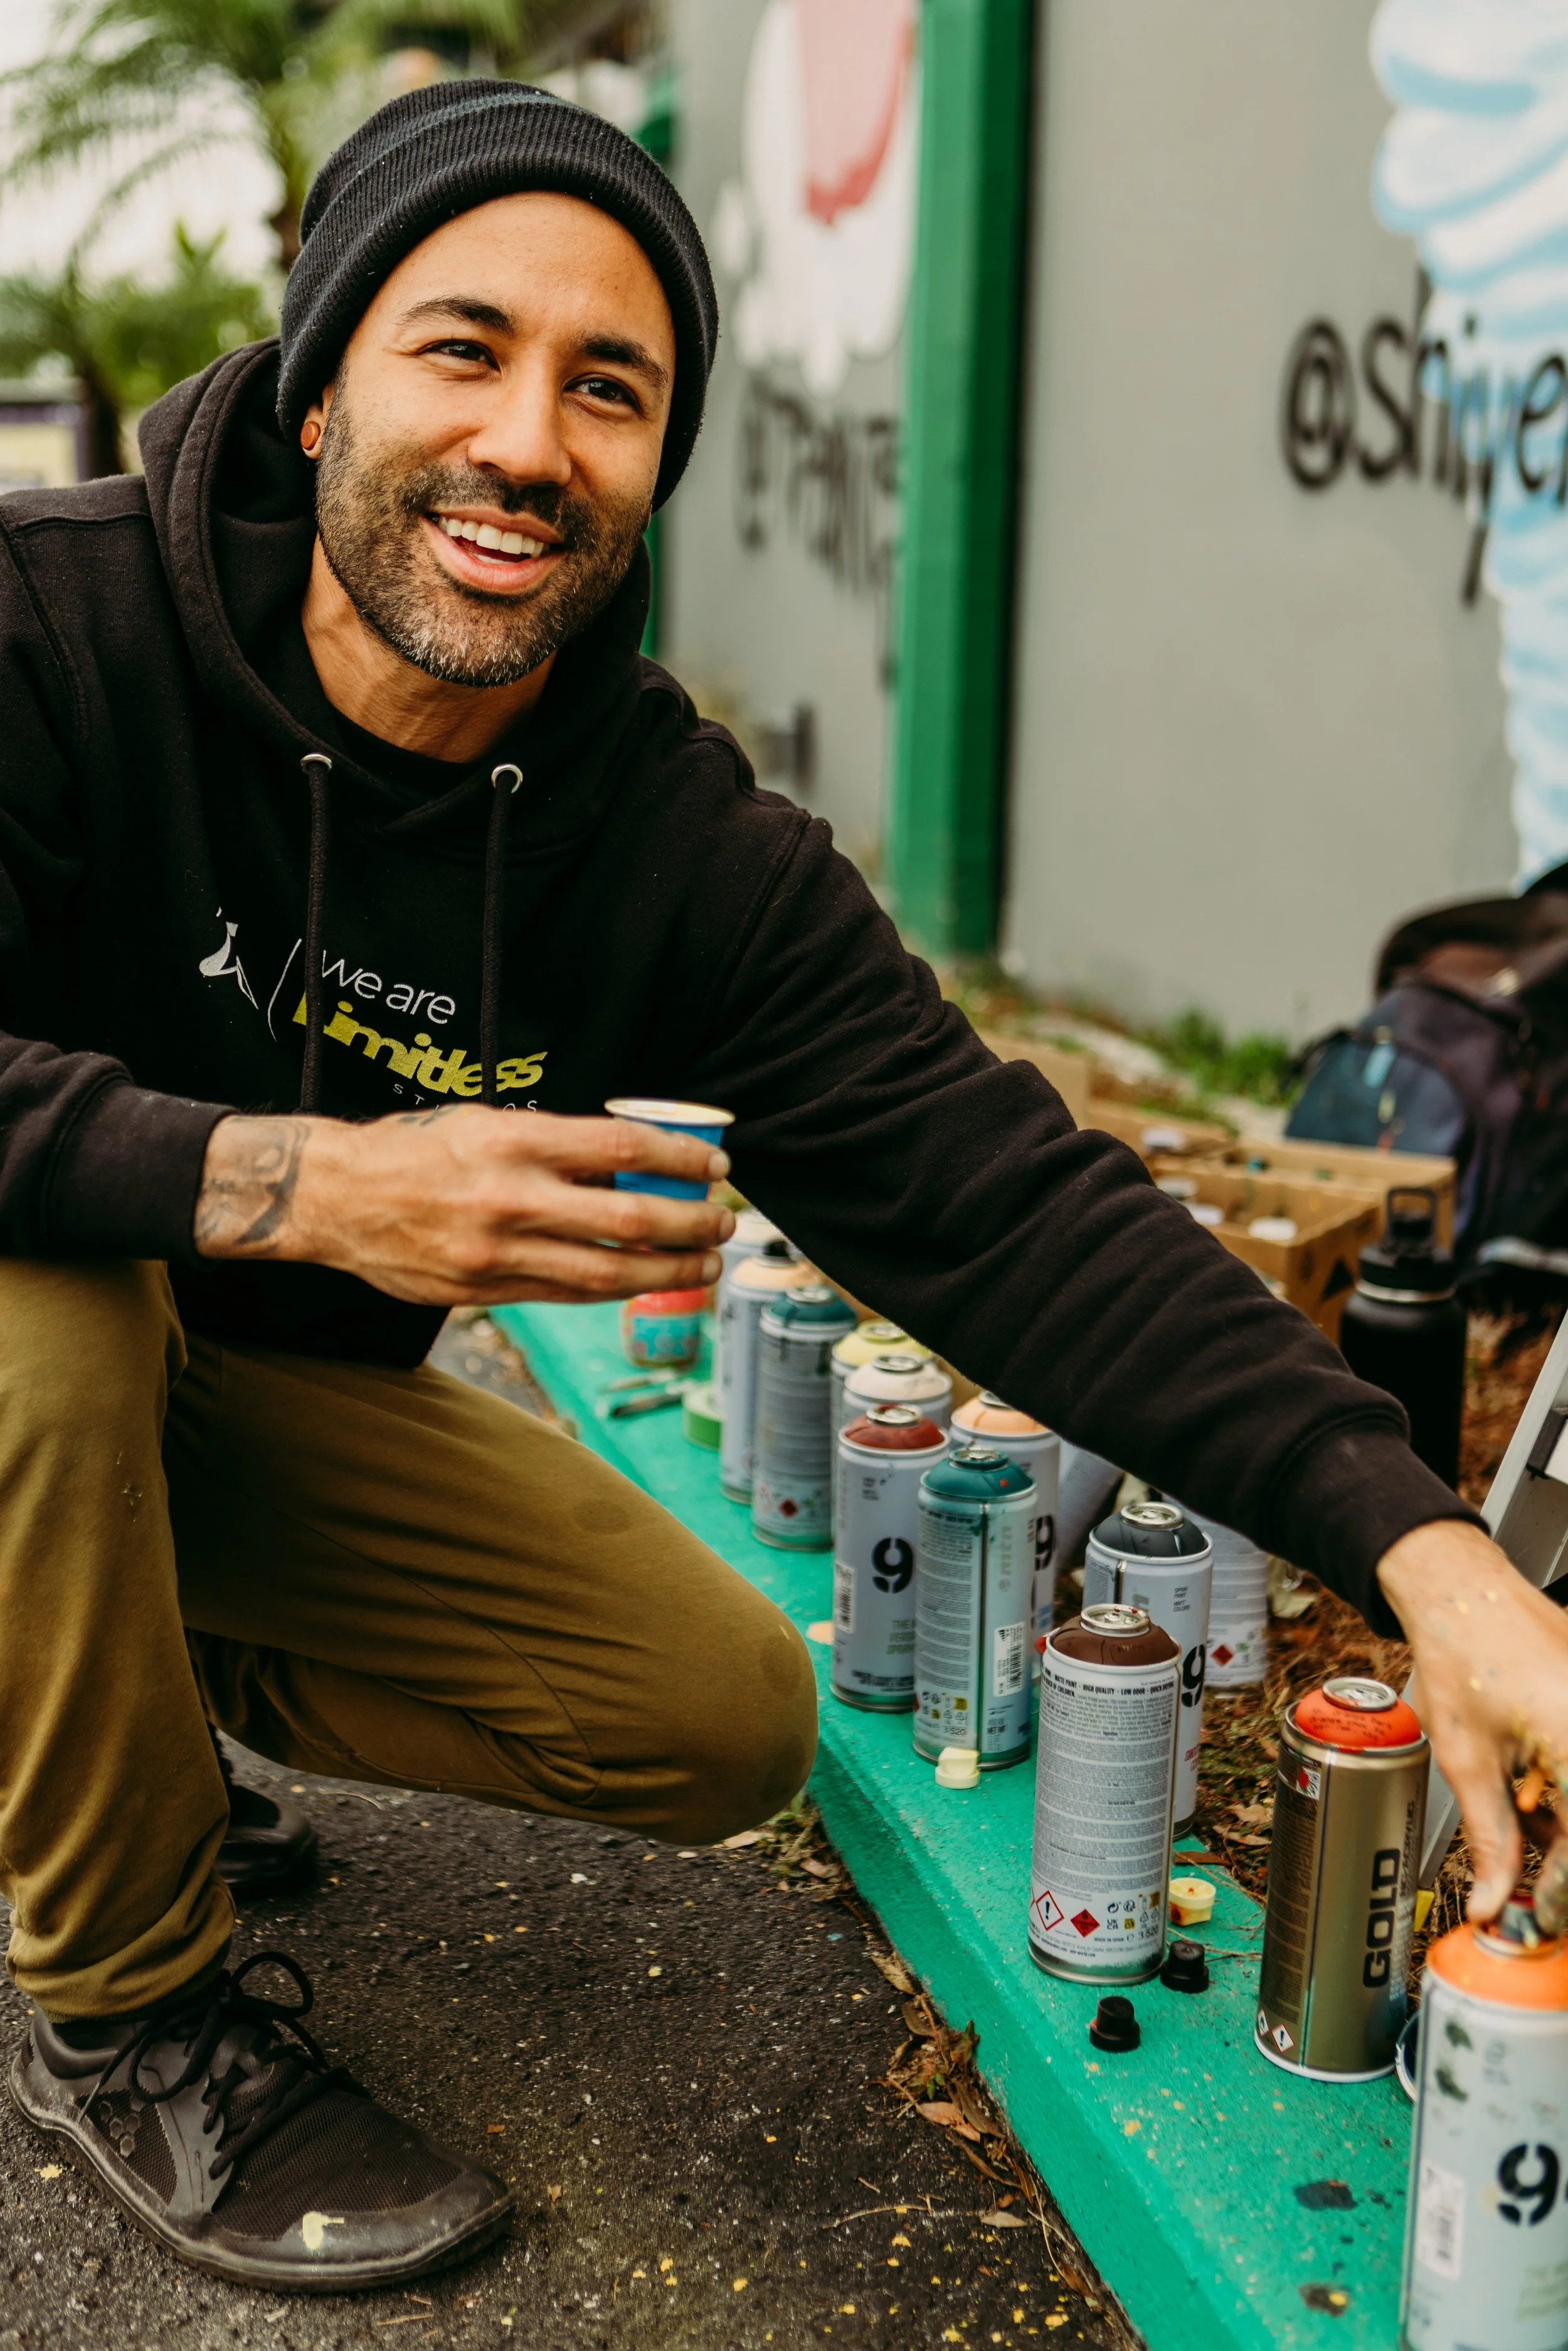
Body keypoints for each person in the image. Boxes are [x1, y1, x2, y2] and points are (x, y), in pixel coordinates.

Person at [0, 78, 1556, 2293]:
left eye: (609, 388)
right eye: (463, 346)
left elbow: (1008, 1198)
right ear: (320, 377)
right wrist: (301, 1183)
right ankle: (128, 2001)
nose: (531, 439)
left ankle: (112, 1704)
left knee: (710, 1709)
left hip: (203, 1432)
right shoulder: (50, 633)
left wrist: (1423, 1551)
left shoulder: (658, 844)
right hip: (33, 1370)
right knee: (40, 1298)